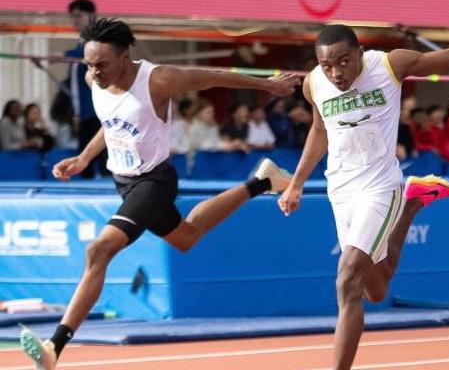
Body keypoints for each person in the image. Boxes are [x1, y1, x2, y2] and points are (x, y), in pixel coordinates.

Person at [19, 19, 300, 370]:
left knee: (98, 250)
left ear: (125, 55)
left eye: (102, 64)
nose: (94, 72)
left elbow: (212, 76)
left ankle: (54, 347)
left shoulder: (158, 79)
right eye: (89, 64)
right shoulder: (94, 80)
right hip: (123, 181)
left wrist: (266, 86)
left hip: (153, 180)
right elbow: (111, 124)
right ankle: (262, 182)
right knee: (186, 236)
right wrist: (83, 158)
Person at [275, 0, 449, 370]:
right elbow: (319, 131)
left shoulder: (389, 64)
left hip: (379, 185)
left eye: (343, 62)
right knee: (375, 289)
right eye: (327, 66)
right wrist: (296, 184)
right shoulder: (314, 85)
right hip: (340, 190)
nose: (336, 73)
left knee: (347, 279)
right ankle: (413, 204)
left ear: (360, 52)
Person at [66, 0, 106, 178]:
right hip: (84, 109)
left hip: (97, 107)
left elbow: (90, 56)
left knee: (101, 155)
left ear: (92, 16)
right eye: (72, 17)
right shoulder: (82, 40)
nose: (74, 20)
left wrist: (62, 55)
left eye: (78, 16)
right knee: (85, 153)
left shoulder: (98, 37)